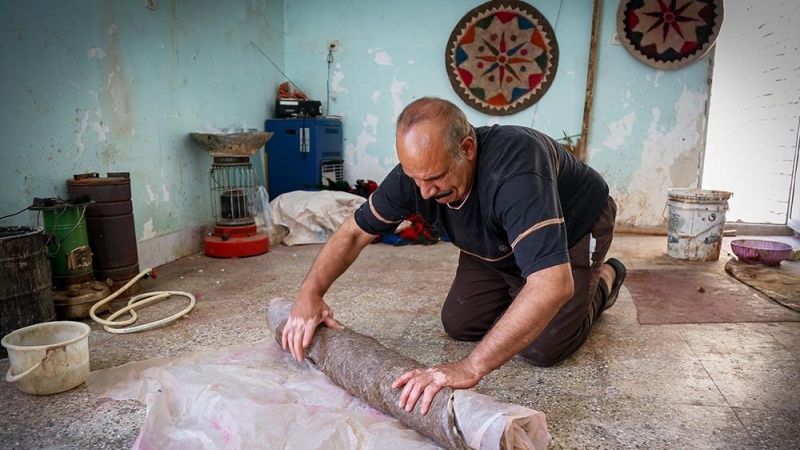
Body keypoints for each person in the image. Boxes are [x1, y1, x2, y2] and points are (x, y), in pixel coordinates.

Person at [281, 96, 626, 416]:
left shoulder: (516, 167)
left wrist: (470, 366)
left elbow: (552, 284)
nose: (424, 193)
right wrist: (310, 294)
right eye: (415, 179)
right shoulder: (418, 175)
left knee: (543, 347)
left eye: (435, 178)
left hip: (574, 228)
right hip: (498, 241)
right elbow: (355, 232)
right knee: (461, 323)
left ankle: (605, 280)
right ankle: (525, 284)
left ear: (467, 148)